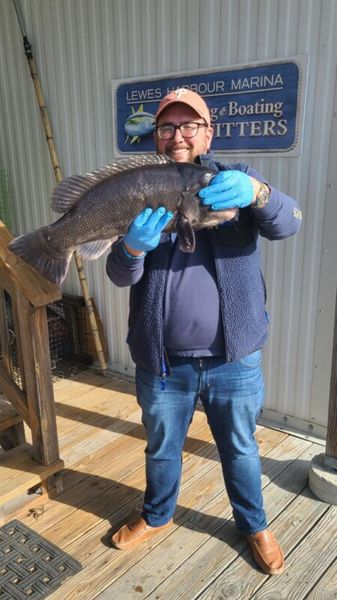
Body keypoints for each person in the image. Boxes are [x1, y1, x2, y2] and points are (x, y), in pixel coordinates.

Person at [106, 89, 302, 575]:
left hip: (233, 358)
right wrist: (131, 249)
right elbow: (118, 272)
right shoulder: (139, 188)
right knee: (160, 446)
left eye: (189, 125)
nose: (179, 136)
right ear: (157, 138)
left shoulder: (235, 180)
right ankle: (157, 515)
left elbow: (287, 222)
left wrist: (258, 193)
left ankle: (254, 524)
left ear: (208, 132)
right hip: (162, 361)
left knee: (240, 446)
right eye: (168, 127)